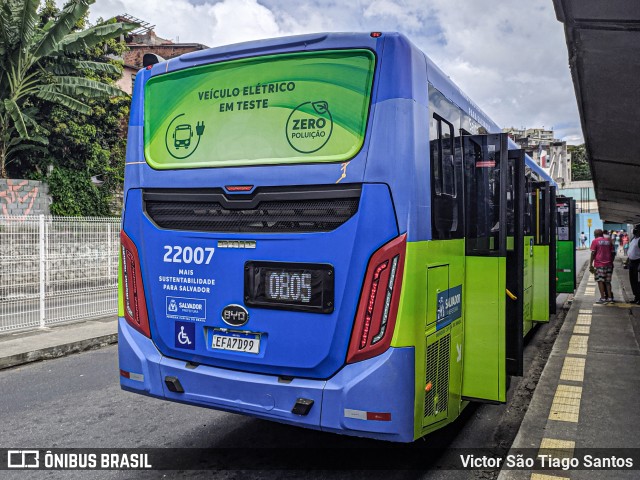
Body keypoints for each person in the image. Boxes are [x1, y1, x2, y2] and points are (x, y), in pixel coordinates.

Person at [589, 228, 615, 304]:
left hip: (599, 264)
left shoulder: (595, 241)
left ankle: (603, 298)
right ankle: (610, 298)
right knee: (608, 281)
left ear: (596, 235)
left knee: (600, 281)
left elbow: (593, 253)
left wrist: (591, 265)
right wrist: (611, 261)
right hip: (609, 264)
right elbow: (613, 253)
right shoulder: (609, 241)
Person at [627, 226, 640, 303]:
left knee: (637, 281)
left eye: (637, 229)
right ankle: (636, 296)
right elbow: (631, 250)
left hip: (637, 262)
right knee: (632, 280)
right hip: (631, 262)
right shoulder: (633, 239)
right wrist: (628, 261)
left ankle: (639, 297)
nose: (634, 230)